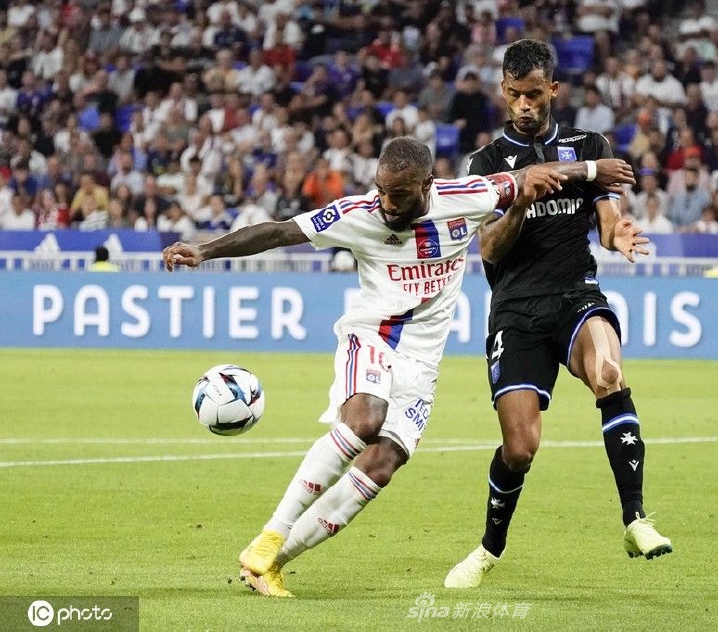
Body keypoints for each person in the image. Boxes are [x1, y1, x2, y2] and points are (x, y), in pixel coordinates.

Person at [162, 137, 635, 598]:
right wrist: (205, 250)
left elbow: (530, 175)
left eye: (400, 194)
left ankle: (269, 562)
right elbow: (279, 231)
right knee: (364, 419)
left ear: (427, 185)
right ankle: (273, 532)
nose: (387, 203)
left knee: (382, 464)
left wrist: (593, 169)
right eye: (382, 190)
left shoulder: (467, 196)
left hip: (422, 362)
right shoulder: (358, 214)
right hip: (372, 337)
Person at [444, 40, 671, 590]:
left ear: (553, 90)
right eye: (514, 94)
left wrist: (620, 235)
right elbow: (489, 249)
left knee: (609, 373)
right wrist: (521, 201)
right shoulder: (486, 164)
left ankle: (636, 519)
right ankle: (490, 547)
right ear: (503, 91)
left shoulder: (588, 146)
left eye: (533, 94)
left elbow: (608, 223)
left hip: (576, 295)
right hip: (516, 310)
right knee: (520, 449)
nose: (524, 104)